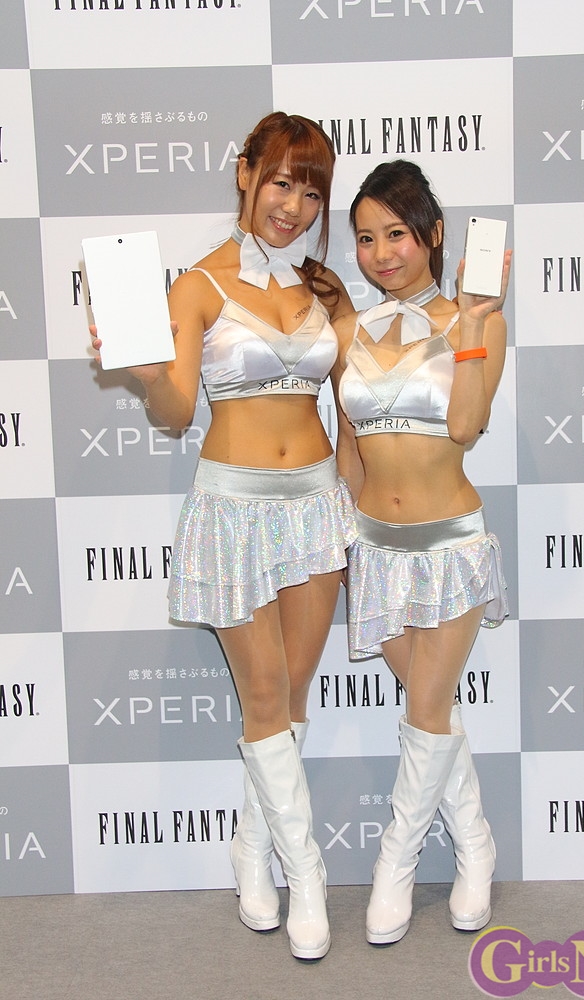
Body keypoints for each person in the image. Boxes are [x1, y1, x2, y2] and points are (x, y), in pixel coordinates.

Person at [91, 112, 356, 960]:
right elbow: (176, 412)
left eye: (310, 192)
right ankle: (305, 874)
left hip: (314, 502)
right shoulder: (197, 286)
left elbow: (354, 399)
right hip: (233, 506)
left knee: (293, 694)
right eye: (280, 182)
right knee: (265, 693)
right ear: (244, 174)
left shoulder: (323, 289)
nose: (293, 206)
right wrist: (144, 374)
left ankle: (249, 847)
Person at [333, 159, 511, 945]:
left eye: (395, 234)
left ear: (433, 235)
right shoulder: (349, 332)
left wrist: (468, 327)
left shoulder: (478, 322)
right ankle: (475, 843)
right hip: (374, 548)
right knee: (431, 711)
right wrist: (345, 545)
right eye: (365, 238)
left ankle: (394, 865)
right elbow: (347, 450)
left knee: (425, 710)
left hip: (448, 547)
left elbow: (466, 427)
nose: (380, 253)